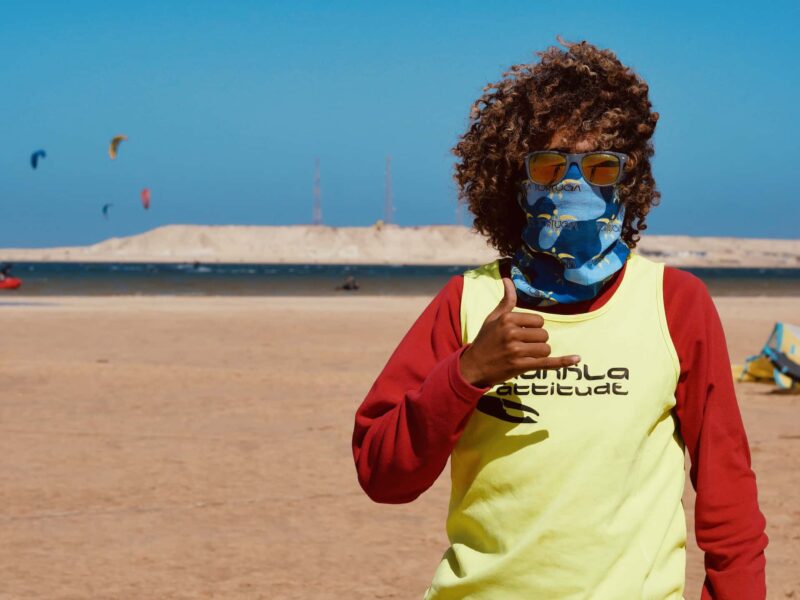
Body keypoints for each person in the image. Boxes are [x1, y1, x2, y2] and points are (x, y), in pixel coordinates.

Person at [351, 37, 767, 599]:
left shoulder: (675, 304)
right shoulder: (467, 302)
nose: (573, 186)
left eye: (599, 166)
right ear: (513, 180)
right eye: (549, 166)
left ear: (630, 179)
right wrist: (467, 372)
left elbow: (727, 491)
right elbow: (382, 476)